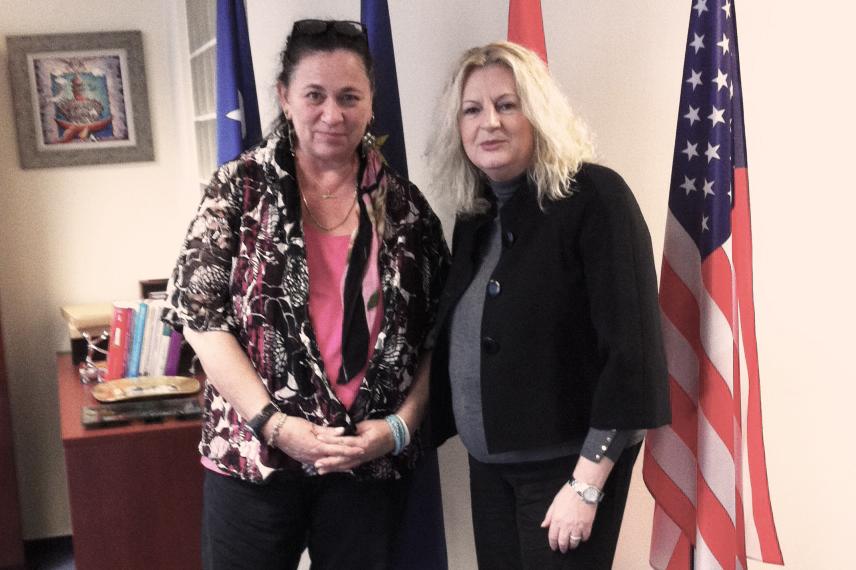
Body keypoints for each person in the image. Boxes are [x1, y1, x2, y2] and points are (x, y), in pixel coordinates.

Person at [164, 19, 448, 570]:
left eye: (349, 97)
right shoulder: (239, 188)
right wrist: (274, 425)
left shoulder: (405, 209)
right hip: (255, 459)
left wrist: (400, 428)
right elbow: (201, 320)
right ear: (285, 97)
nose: (332, 114)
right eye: (314, 95)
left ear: (371, 102)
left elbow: (437, 335)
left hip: (363, 464)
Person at [428, 42, 670, 569]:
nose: (489, 122)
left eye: (506, 105)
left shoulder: (596, 198)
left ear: (538, 113)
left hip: (567, 472)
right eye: (472, 110)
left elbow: (631, 356)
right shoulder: (475, 216)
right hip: (489, 471)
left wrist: (586, 485)